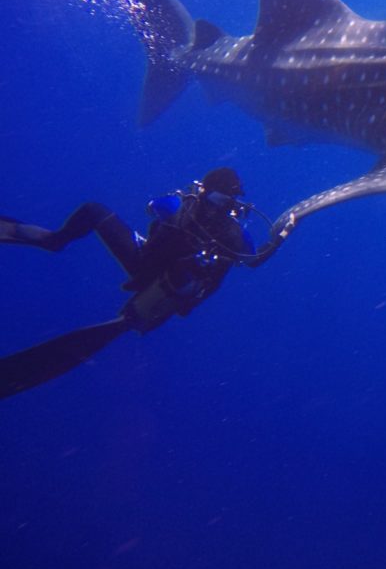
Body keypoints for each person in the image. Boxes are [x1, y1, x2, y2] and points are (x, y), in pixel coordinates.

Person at [0, 167, 290, 398]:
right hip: (154, 273)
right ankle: (59, 246)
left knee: (98, 215)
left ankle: (124, 315)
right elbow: (249, 258)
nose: (218, 206)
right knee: (95, 212)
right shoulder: (206, 218)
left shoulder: (209, 220)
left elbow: (250, 259)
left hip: (160, 281)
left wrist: (275, 240)